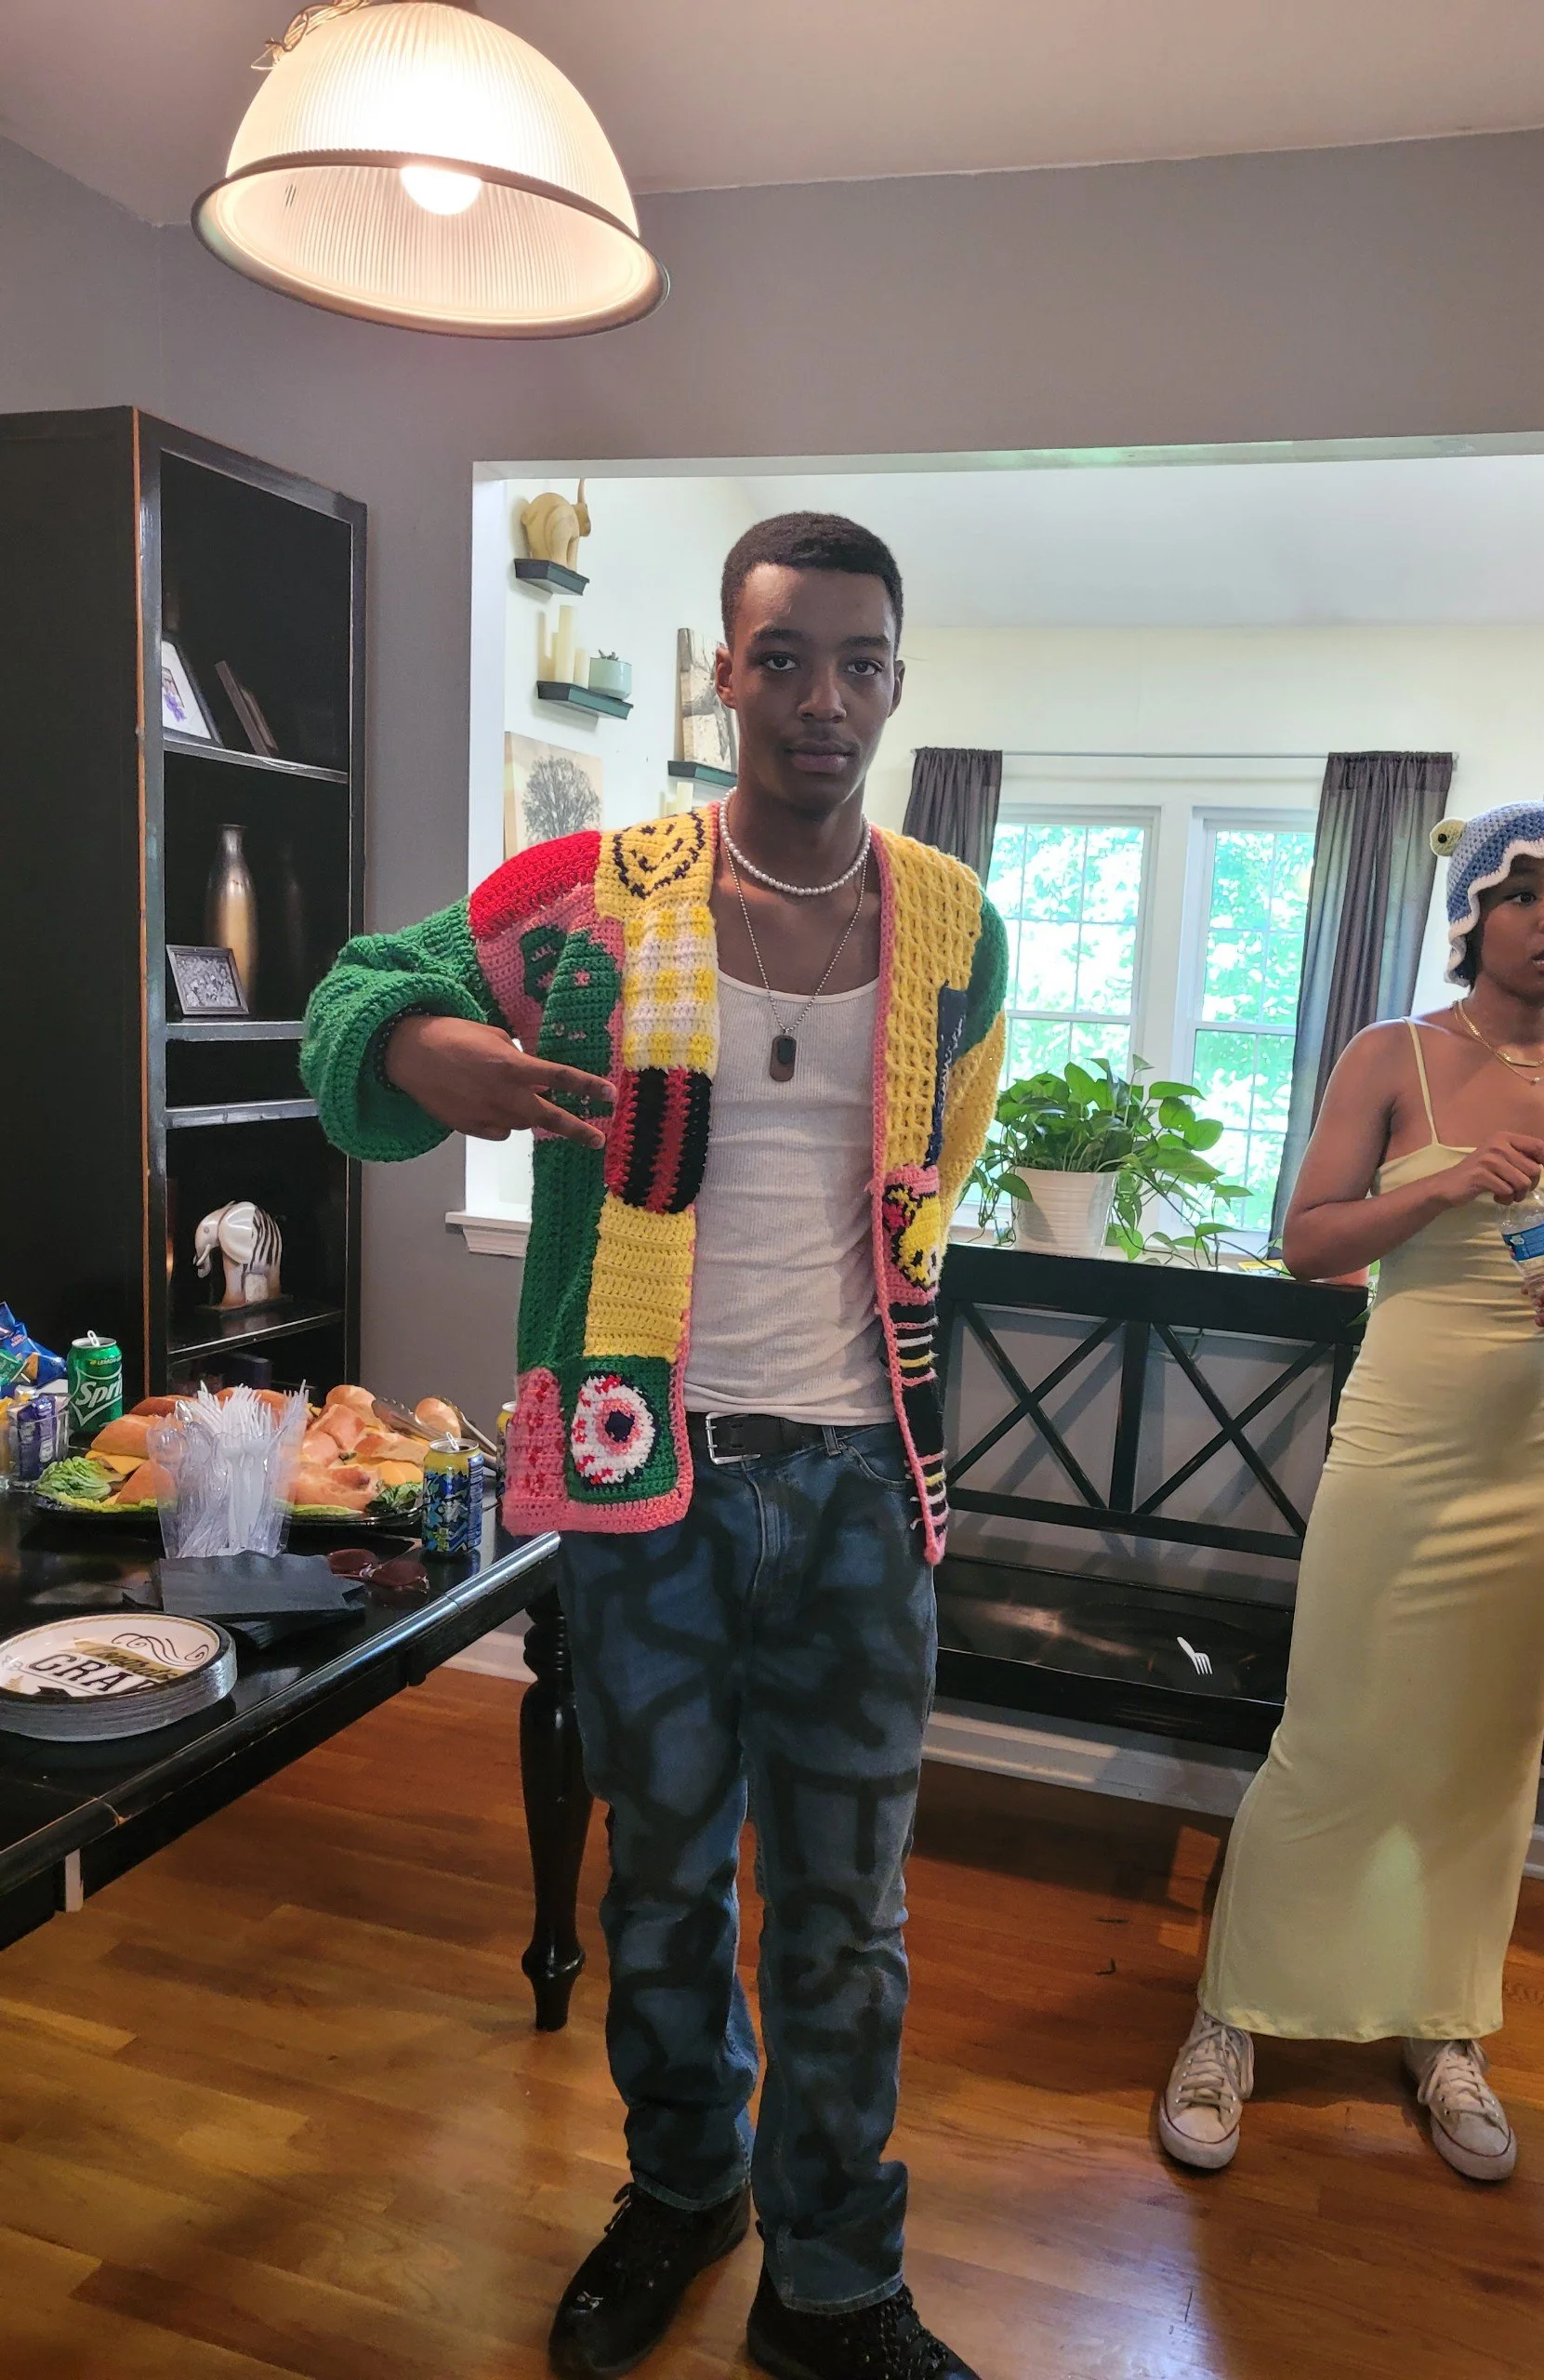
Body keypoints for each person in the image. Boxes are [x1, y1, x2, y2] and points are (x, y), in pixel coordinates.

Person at [301, 513, 1007, 2380]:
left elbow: (928, 1184)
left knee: (847, 1918)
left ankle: (833, 2285)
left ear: (896, 685)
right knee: (667, 1881)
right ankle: (685, 2184)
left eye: (860, 661)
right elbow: (353, 998)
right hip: (647, 1472)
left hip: (866, 1485)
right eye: (784, 658)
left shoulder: (956, 928)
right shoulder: (595, 897)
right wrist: (432, 1051)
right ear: (725, 677)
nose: (822, 698)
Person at [1157, 783, 1544, 2185]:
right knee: (1337, 1733)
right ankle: (1233, 2015)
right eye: (1526, 893)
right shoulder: (1394, 1056)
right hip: (1401, 1441)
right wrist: (1440, 1187)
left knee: (1489, 1751)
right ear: (1472, 915)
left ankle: (1446, 2028)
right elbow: (1308, 1243)